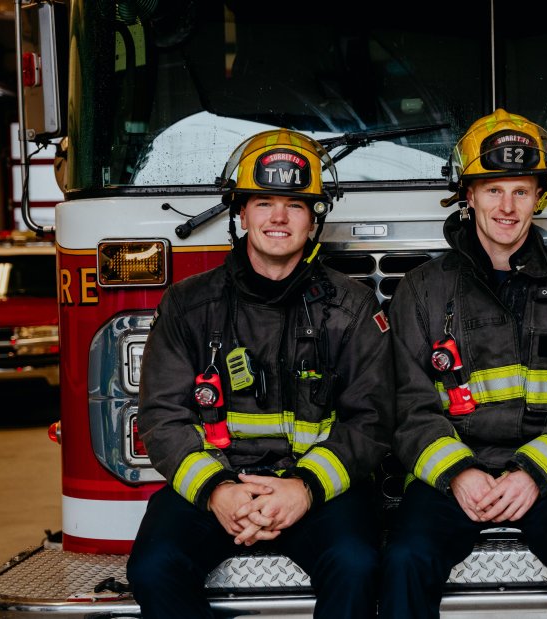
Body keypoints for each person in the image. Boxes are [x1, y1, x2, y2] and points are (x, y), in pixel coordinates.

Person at [127, 129, 394, 619]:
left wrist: (304, 488)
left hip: (315, 489)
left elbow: (371, 420)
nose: (277, 217)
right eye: (264, 201)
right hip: (218, 485)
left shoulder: (352, 308)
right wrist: (218, 492)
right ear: (241, 212)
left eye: (294, 204)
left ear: (314, 219)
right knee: (153, 567)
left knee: (357, 564)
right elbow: (162, 418)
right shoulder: (188, 306)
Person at [379, 109, 547, 618]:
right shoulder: (421, 290)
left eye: (521, 190)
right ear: (468, 196)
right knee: (403, 558)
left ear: (540, 197)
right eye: (492, 190)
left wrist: (532, 474)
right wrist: (459, 473)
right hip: (454, 473)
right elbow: (408, 406)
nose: (507, 206)